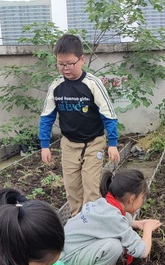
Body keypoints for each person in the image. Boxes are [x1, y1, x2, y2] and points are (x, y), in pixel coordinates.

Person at [39, 33, 120, 217]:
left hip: (94, 143)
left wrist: (113, 143)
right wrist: (44, 145)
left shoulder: (92, 84)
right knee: (72, 188)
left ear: (82, 60)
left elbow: (109, 115)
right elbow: (47, 117)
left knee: (91, 187)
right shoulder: (56, 86)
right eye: (60, 64)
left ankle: (91, 222)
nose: (65, 68)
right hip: (69, 144)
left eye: (70, 63)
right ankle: (78, 221)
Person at [61, 169, 162, 265]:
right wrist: (148, 229)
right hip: (68, 260)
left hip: (66, 250)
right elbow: (142, 251)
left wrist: (137, 224)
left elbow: (115, 223)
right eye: (142, 198)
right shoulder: (114, 218)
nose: (143, 201)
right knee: (114, 247)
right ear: (132, 199)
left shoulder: (104, 204)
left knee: (124, 219)